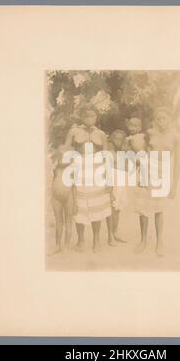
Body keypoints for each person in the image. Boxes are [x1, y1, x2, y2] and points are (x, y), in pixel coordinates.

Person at [62, 106, 113, 253]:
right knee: (79, 206)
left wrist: (109, 179)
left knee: (97, 205)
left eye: (93, 116)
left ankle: (96, 240)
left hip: (98, 171)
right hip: (79, 170)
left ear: (97, 117)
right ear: (81, 117)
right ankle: (81, 240)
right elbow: (66, 151)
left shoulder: (101, 134)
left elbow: (106, 156)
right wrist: (68, 172)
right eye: (87, 116)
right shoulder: (74, 132)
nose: (90, 119)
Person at [134, 107, 180, 256]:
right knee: (143, 209)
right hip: (148, 169)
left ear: (170, 119)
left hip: (163, 173)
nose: (161, 121)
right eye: (158, 119)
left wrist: (174, 186)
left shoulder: (176, 137)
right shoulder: (150, 134)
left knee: (158, 209)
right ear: (155, 120)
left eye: (164, 118)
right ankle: (143, 240)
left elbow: (177, 163)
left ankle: (159, 241)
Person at [107, 129, 128, 243]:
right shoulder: (110, 152)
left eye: (121, 139)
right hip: (113, 181)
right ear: (112, 139)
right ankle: (110, 235)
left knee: (118, 209)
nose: (118, 141)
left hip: (122, 182)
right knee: (112, 208)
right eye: (116, 138)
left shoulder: (124, 152)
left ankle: (115, 232)